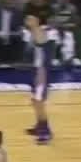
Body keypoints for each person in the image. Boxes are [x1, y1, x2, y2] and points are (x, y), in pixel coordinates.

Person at [24, 13, 53, 144]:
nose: (27, 20)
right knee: (35, 101)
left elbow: (42, 45)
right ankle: (39, 126)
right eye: (27, 18)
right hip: (36, 70)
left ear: (37, 20)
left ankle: (45, 133)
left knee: (38, 101)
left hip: (42, 72)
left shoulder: (40, 32)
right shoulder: (33, 32)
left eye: (30, 18)